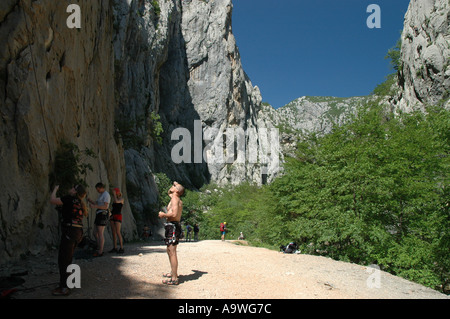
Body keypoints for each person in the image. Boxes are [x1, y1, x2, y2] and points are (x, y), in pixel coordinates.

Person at [50, 184, 88, 296]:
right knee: (68, 258)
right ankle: (68, 283)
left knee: (63, 260)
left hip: (70, 231)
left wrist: (55, 189)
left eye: (73, 188)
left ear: (75, 191)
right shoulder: (80, 202)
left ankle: (64, 287)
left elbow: (52, 200)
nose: (70, 188)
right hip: (78, 232)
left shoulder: (68, 198)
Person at [158, 181, 185, 285]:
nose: (172, 186)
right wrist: (175, 185)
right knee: (169, 250)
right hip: (173, 226)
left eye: (174, 186)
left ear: (177, 191)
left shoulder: (175, 199)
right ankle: (173, 272)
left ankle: (174, 278)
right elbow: (169, 192)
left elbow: (173, 213)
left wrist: (163, 214)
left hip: (172, 225)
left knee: (172, 251)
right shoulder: (176, 198)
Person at [88, 182, 110, 257]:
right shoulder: (100, 195)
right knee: (95, 232)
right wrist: (91, 201)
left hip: (103, 214)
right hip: (98, 213)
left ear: (101, 188)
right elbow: (97, 203)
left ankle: (100, 251)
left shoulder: (106, 195)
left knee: (100, 233)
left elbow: (105, 206)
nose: (97, 191)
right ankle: (98, 246)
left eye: (98, 189)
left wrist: (95, 207)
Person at [109, 188, 124, 254]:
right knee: (113, 232)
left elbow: (117, 201)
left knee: (118, 232)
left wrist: (114, 194)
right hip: (113, 215)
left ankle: (121, 247)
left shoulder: (121, 199)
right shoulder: (115, 199)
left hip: (118, 215)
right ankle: (115, 247)